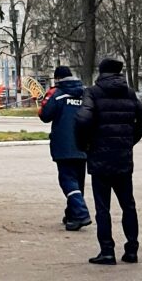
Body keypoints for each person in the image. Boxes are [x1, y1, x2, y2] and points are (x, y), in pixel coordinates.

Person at [75, 58, 142, 266]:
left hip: (100, 158)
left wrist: (84, 144)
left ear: (101, 72)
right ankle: (132, 250)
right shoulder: (129, 93)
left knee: (103, 208)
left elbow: (83, 119)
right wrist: (129, 140)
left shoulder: (93, 92)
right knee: (128, 205)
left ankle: (107, 251)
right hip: (123, 158)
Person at [39, 66, 91, 231]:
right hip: (84, 143)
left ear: (57, 79)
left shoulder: (57, 94)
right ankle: (72, 214)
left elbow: (45, 115)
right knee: (78, 181)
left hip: (64, 143)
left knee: (67, 180)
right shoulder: (86, 93)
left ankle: (81, 214)